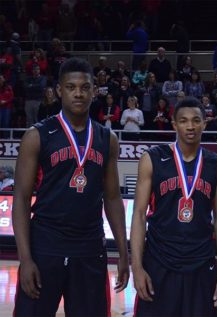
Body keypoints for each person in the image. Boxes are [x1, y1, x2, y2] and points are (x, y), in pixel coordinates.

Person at [12, 57, 129, 316]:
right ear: (59, 90)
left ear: (94, 91)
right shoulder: (37, 136)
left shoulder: (106, 139)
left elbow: (112, 198)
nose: (78, 93)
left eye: (85, 87)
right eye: (71, 87)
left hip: (89, 248)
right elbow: (20, 198)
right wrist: (25, 258)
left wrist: (123, 252)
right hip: (45, 246)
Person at [131, 97, 217, 316]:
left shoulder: (216, 164)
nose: (190, 126)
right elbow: (138, 215)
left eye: (196, 120)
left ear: (205, 123)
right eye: (184, 121)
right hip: (159, 261)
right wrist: (137, 267)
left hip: (201, 263)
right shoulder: (153, 158)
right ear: (174, 124)